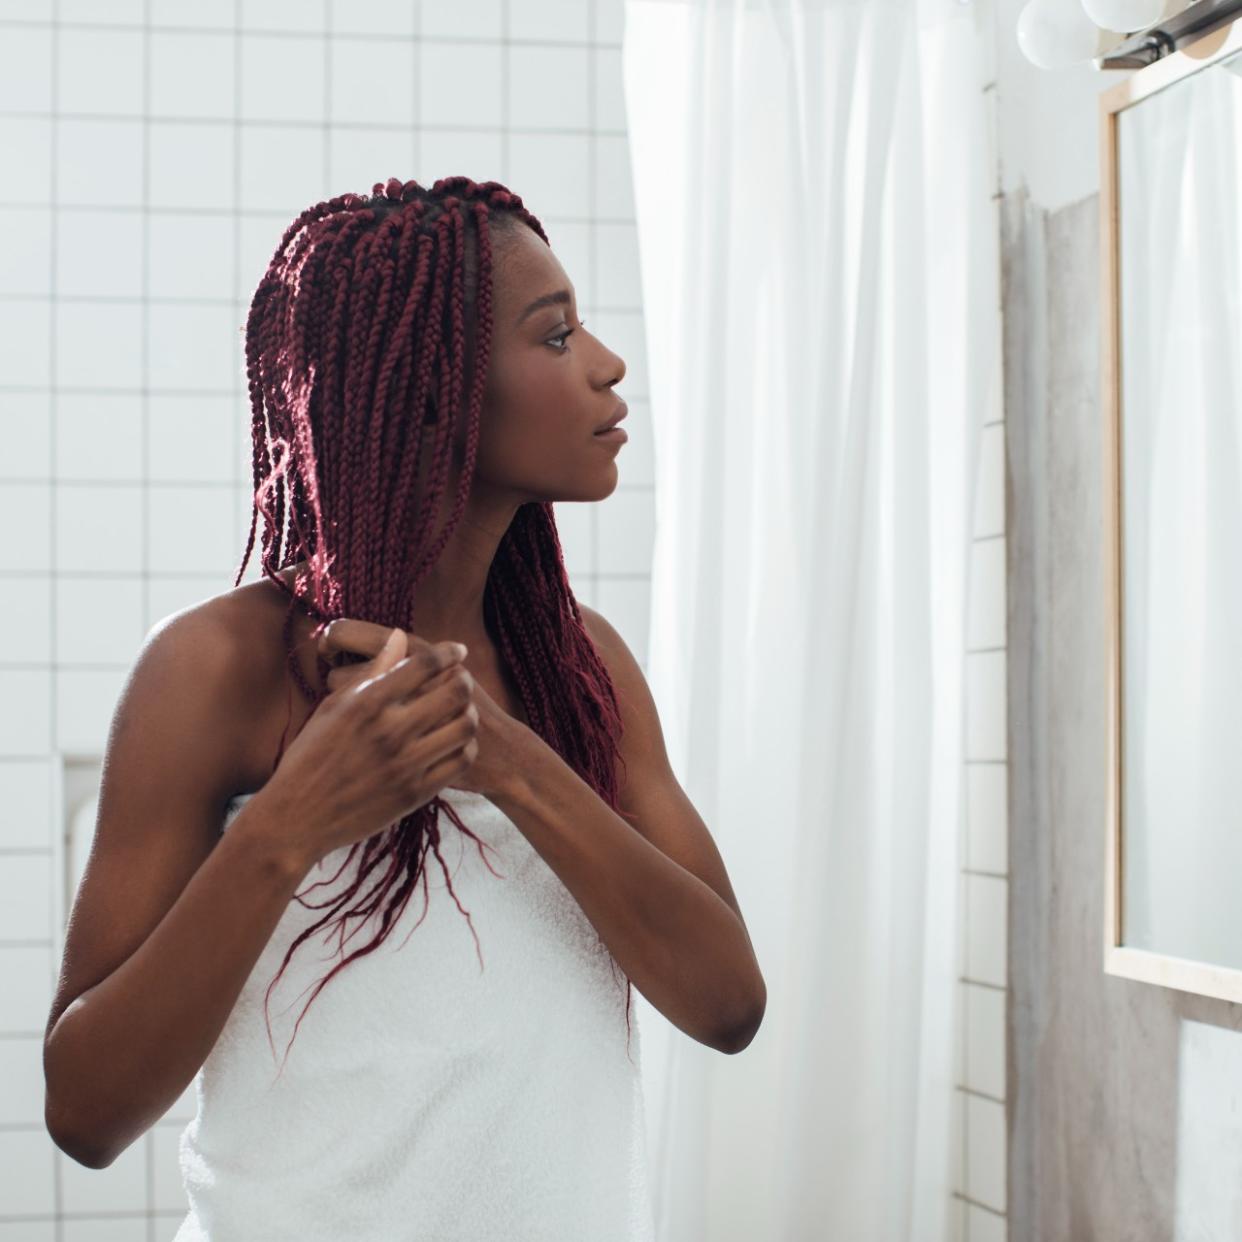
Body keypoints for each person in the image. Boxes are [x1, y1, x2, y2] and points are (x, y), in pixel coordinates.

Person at [42, 176, 766, 1240]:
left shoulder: (584, 671)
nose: (608, 364)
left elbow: (727, 1003)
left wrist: (508, 761)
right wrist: (293, 823)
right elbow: (86, 1114)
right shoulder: (216, 672)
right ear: (437, 392)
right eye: (556, 337)